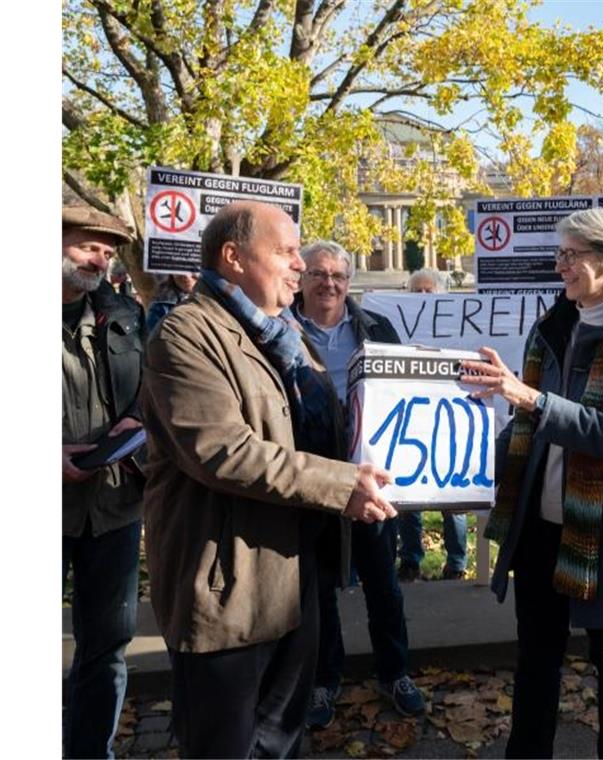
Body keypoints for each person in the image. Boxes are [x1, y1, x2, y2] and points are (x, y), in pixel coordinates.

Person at [140, 201, 399, 758]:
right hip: (227, 585)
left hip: (293, 579)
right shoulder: (185, 335)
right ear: (233, 257)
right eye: (285, 252)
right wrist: (343, 484)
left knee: (282, 742)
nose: (299, 267)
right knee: (225, 747)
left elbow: (321, 433)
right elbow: (224, 452)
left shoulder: (286, 335)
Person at [466, 206, 603, 758]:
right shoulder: (553, 325)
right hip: (540, 522)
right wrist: (463, 451)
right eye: (559, 254)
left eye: (572, 255)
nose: (561, 267)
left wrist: (527, 397)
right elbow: (527, 426)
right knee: (536, 654)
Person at [289, 240, 426, 727]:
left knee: (383, 584)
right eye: (319, 274)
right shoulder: (278, 329)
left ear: (350, 282)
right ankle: (325, 681)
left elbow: (409, 391)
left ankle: (396, 673)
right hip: (311, 479)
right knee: (319, 589)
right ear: (301, 277)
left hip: (372, 480)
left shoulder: (377, 327)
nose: (329, 283)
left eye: (338, 276)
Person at [62, 206, 146, 759]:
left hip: (113, 505)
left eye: (108, 252)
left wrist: (136, 417)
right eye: (89, 246)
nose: (101, 259)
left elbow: (148, 384)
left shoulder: (122, 313)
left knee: (108, 644)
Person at [396, 267, 470, 581]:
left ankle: (456, 562)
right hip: (408, 420)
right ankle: (411, 558)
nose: (423, 298)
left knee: (453, 496)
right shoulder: (396, 326)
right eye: (417, 292)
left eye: (429, 292)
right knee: (406, 496)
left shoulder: (457, 327)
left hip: (449, 420)